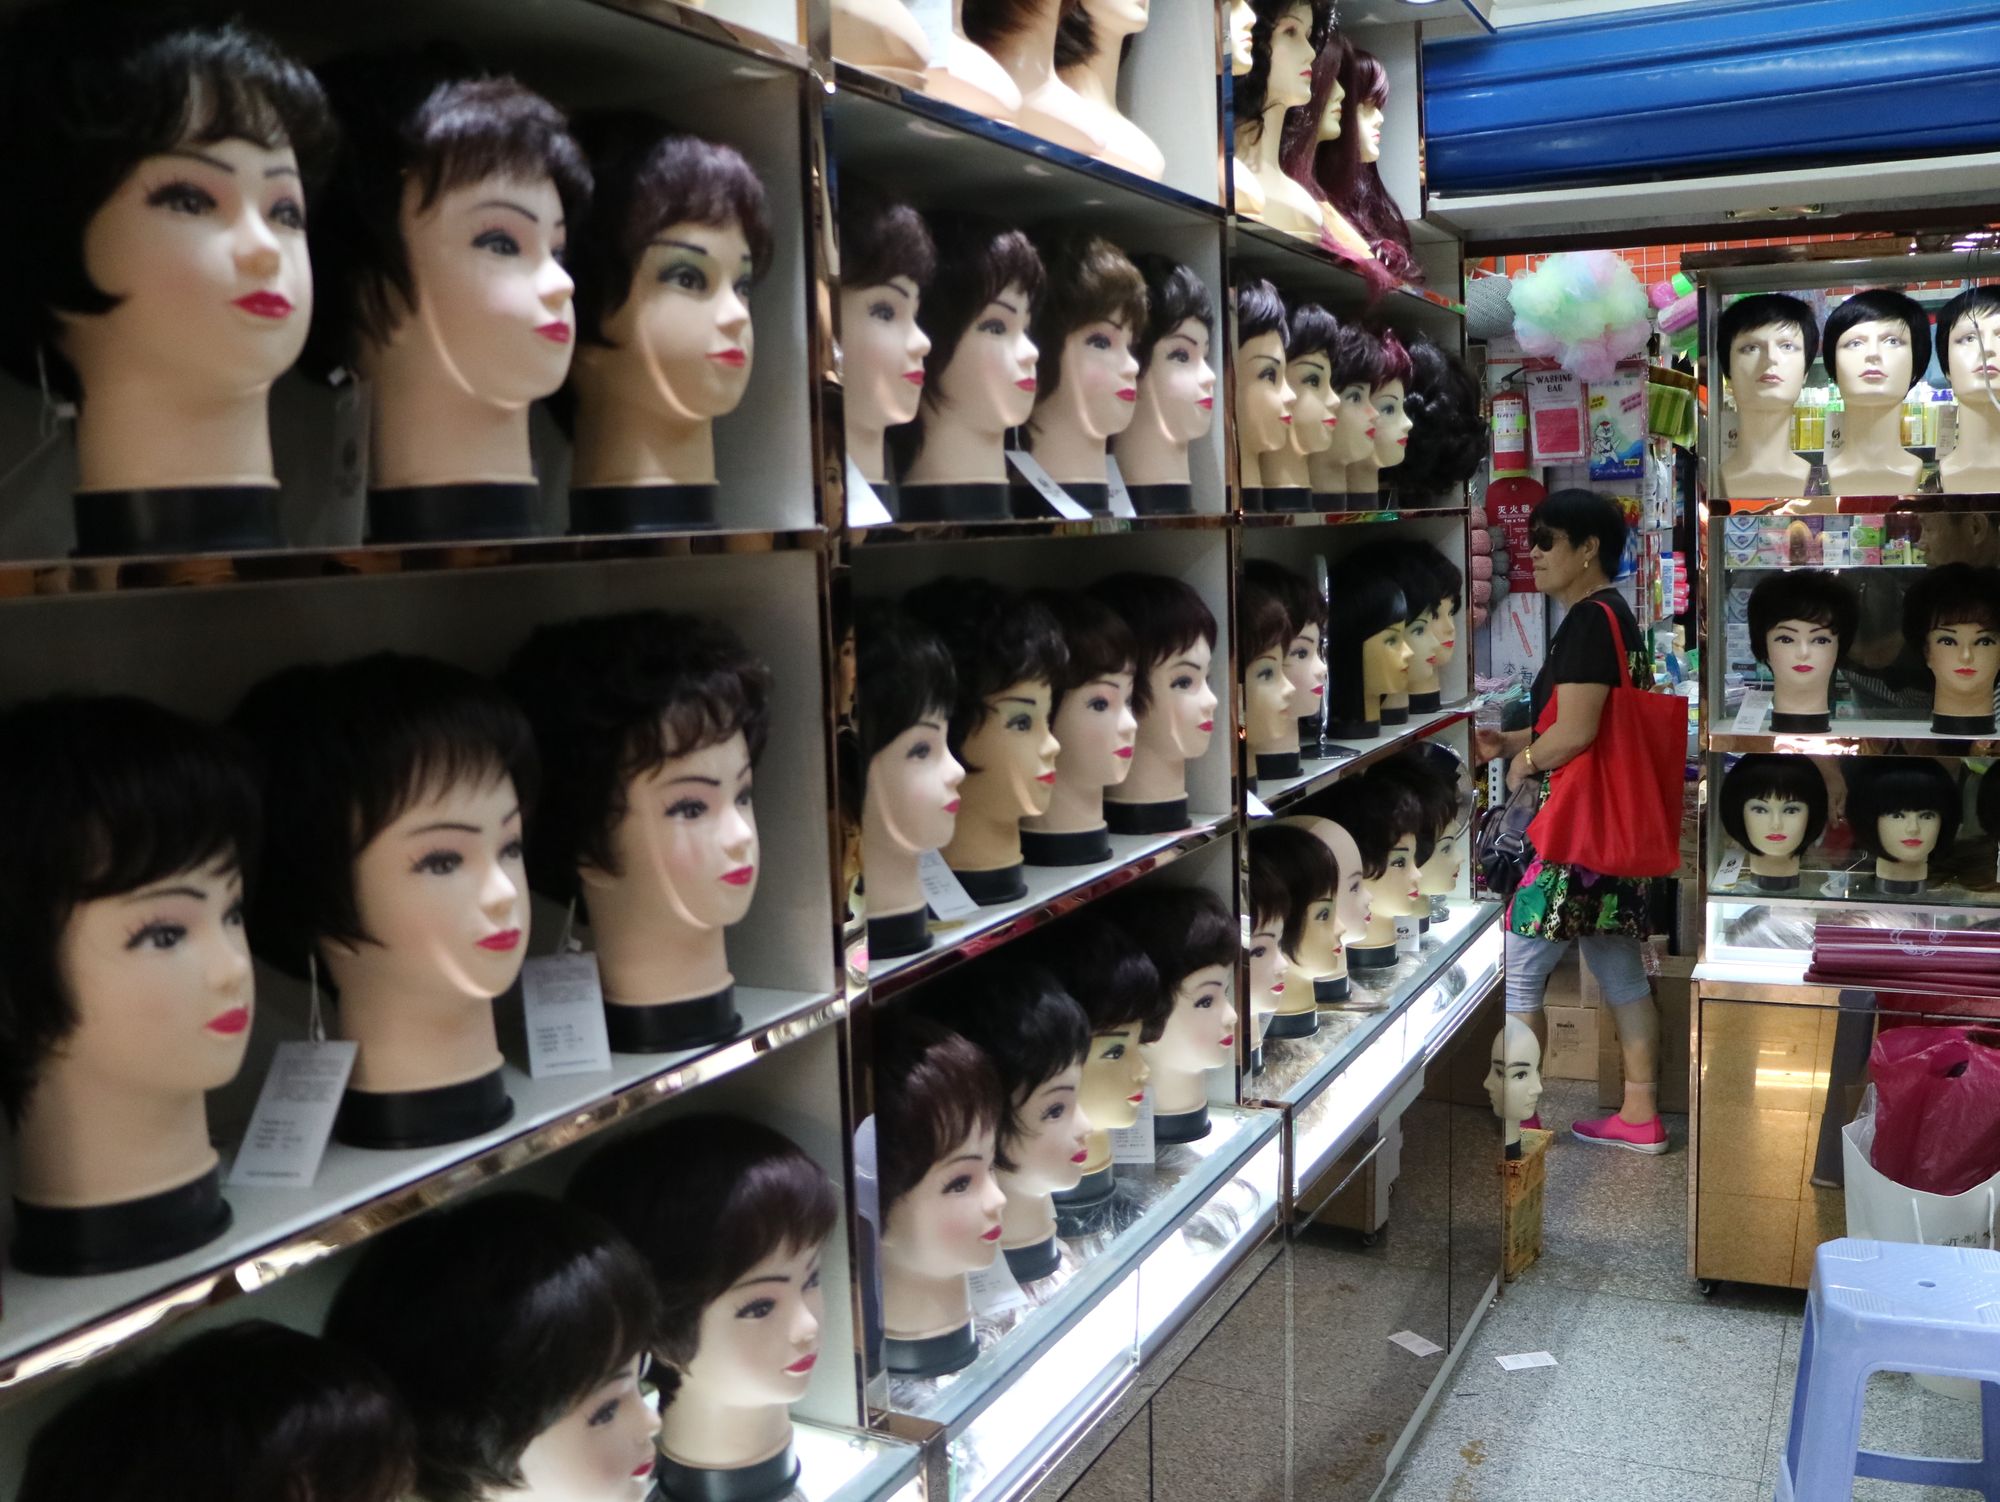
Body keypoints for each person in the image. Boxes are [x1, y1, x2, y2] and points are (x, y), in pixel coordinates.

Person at [1473, 488, 1666, 1154]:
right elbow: (1590, 724)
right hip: (1613, 830)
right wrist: (1512, 742)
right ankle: (1639, 1114)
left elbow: (1577, 733)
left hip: (1569, 833)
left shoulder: (1587, 620)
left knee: (1522, 970)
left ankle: (1520, 1117)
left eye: (1546, 541)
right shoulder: (1616, 616)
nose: (1532, 553)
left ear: (1588, 550)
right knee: (1622, 973)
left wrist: (1524, 761)